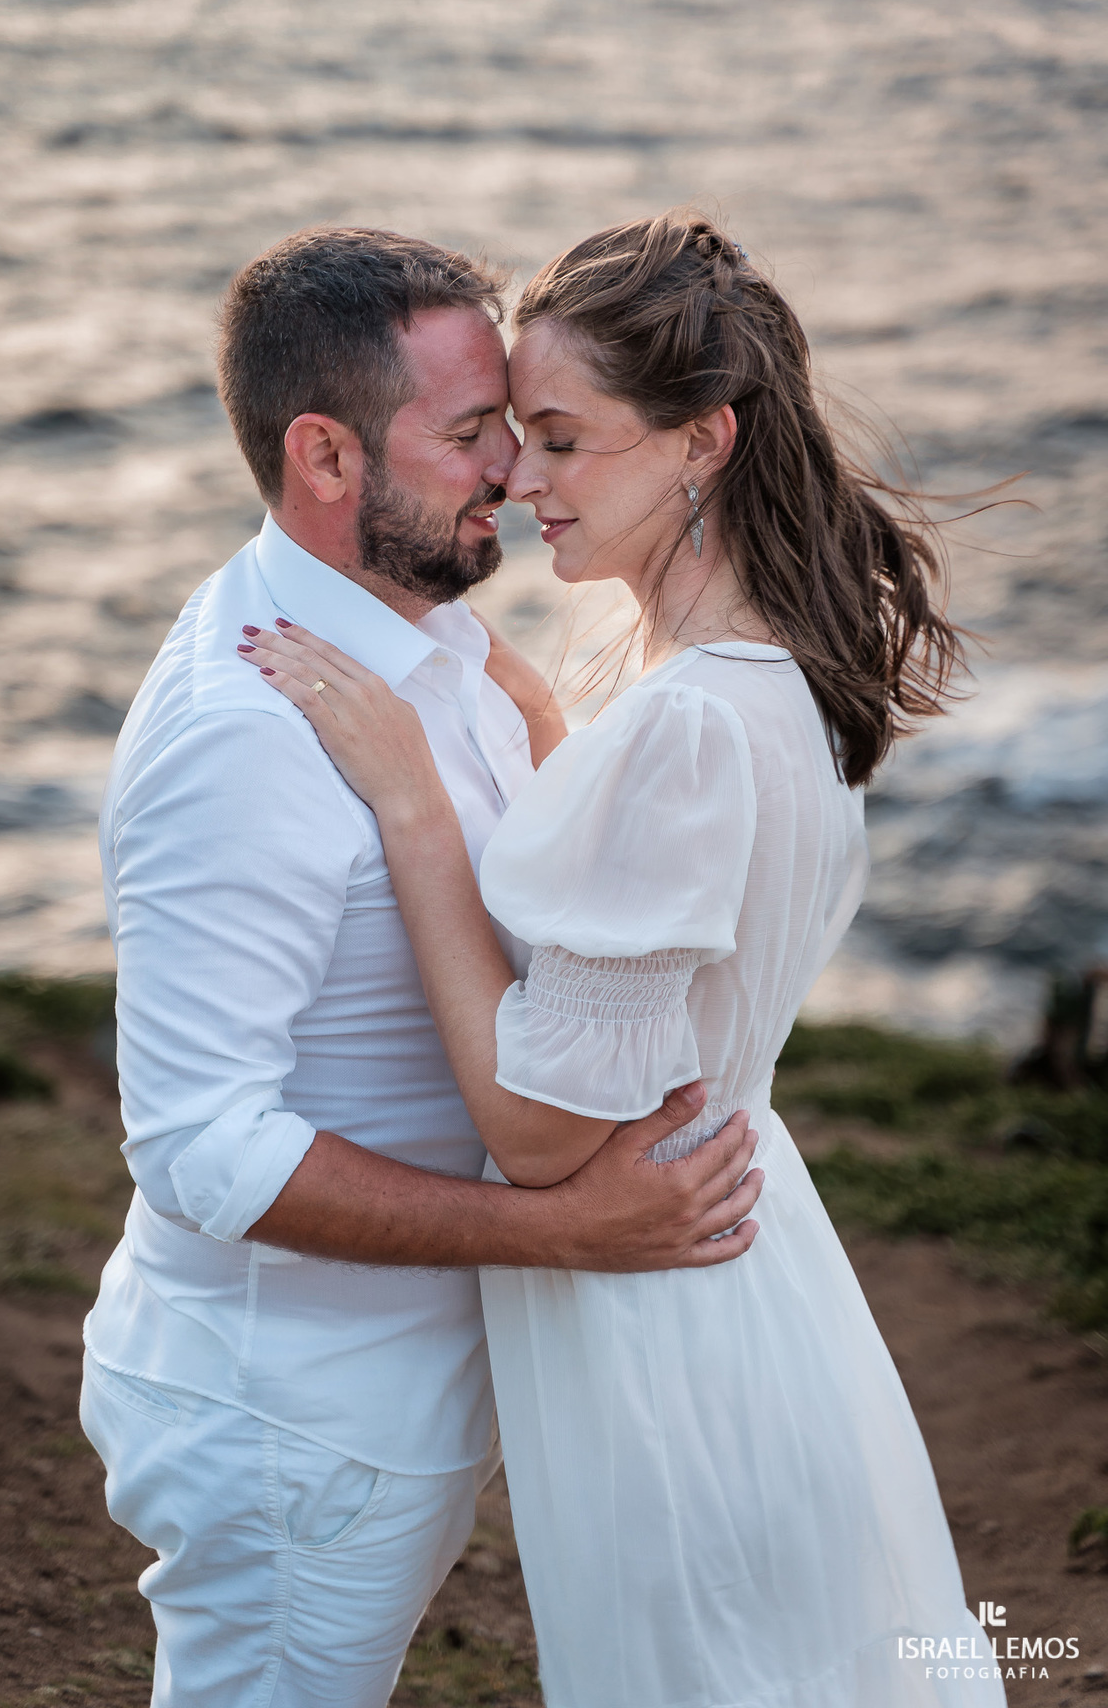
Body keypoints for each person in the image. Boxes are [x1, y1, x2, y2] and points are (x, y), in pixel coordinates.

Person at [241, 212, 1007, 1707]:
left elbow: (540, 1135)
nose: (519, 481)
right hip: (747, 1276)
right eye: (509, 437)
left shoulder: (690, 727)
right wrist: (544, 727)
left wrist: (417, 809)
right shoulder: (762, 679)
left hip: (668, 1330)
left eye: (562, 441)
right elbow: (660, 952)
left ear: (702, 441)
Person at [80, 225, 763, 1708]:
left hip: (388, 1394)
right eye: (467, 436)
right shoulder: (244, 737)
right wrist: (562, 1230)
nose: (512, 471)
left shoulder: (430, 639)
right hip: (291, 1416)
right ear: (324, 457)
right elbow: (200, 1149)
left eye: (509, 425)